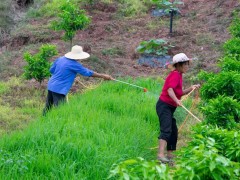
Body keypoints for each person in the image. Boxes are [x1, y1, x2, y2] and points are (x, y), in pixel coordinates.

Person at [43, 45, 113, 115]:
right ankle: (60, 124)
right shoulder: (74, 64)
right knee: (61, 111)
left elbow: (51, 70)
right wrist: (103, 76)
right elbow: (87, 73)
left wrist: (67, 74)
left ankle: (43, 120)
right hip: (59, 89)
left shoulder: (60, 59)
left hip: (51, 85)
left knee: (47, 107)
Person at [156, 53, 200, 163]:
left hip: (170, 107)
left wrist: (191, 88)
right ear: (179, 65)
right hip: (164, 106)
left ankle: (170, 157)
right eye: (185, 64)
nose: (187, 66)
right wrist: (177, 101)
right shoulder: (175, 74)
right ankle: (160, 155)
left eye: (187, 64)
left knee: (173, 130)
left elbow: (180, 92)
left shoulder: (179, 75)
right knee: (166, 129)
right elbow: (169, 90)